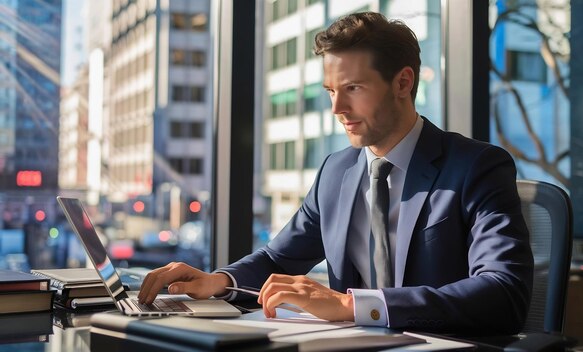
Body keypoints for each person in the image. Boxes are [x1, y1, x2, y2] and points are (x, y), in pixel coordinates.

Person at [138, 12, 533, 334]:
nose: (337, 108)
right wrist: (218, 282)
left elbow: (503, 291)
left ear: (403, 82)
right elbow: (279, 258)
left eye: (354, 88)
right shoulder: (336, 171)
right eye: (331, 91)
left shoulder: (476, 166)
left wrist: (351, 305)